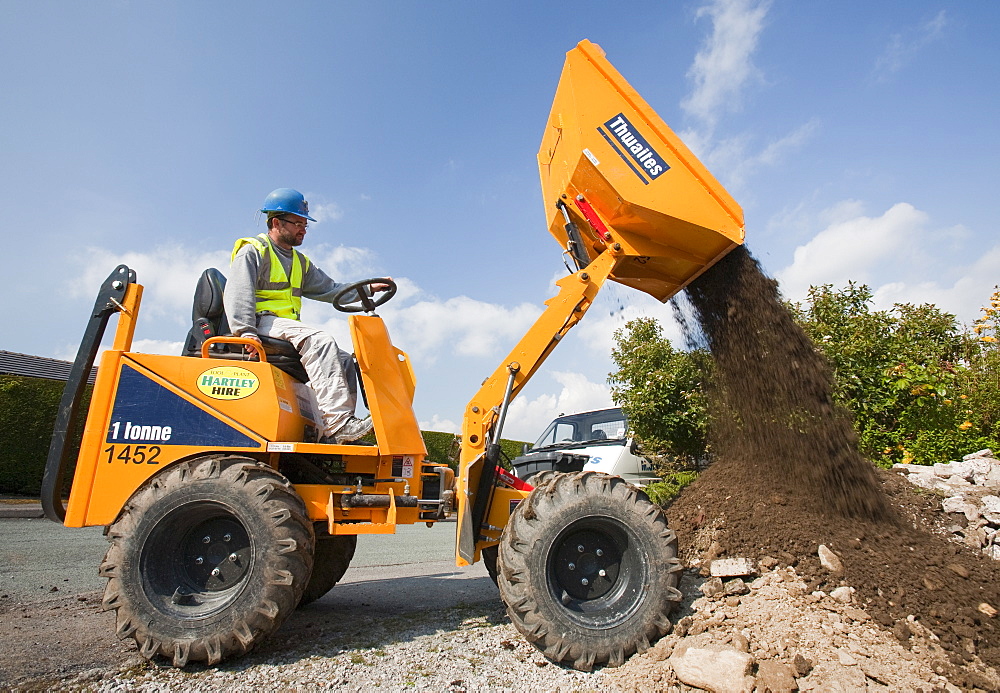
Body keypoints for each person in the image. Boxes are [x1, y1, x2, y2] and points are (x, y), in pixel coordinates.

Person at [223, 188, 388, 444]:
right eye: (298, 223)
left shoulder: (300, 262)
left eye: (304, 224)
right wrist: (246, 333)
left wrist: (367, 289)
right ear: (276, 222)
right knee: (321, 341)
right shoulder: (254, 251)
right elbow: (238, 292)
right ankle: (338, 423)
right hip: (260, 322)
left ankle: (332, 433)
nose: (303, 229)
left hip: (283, 327)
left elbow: (332, 290)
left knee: (343, 359)